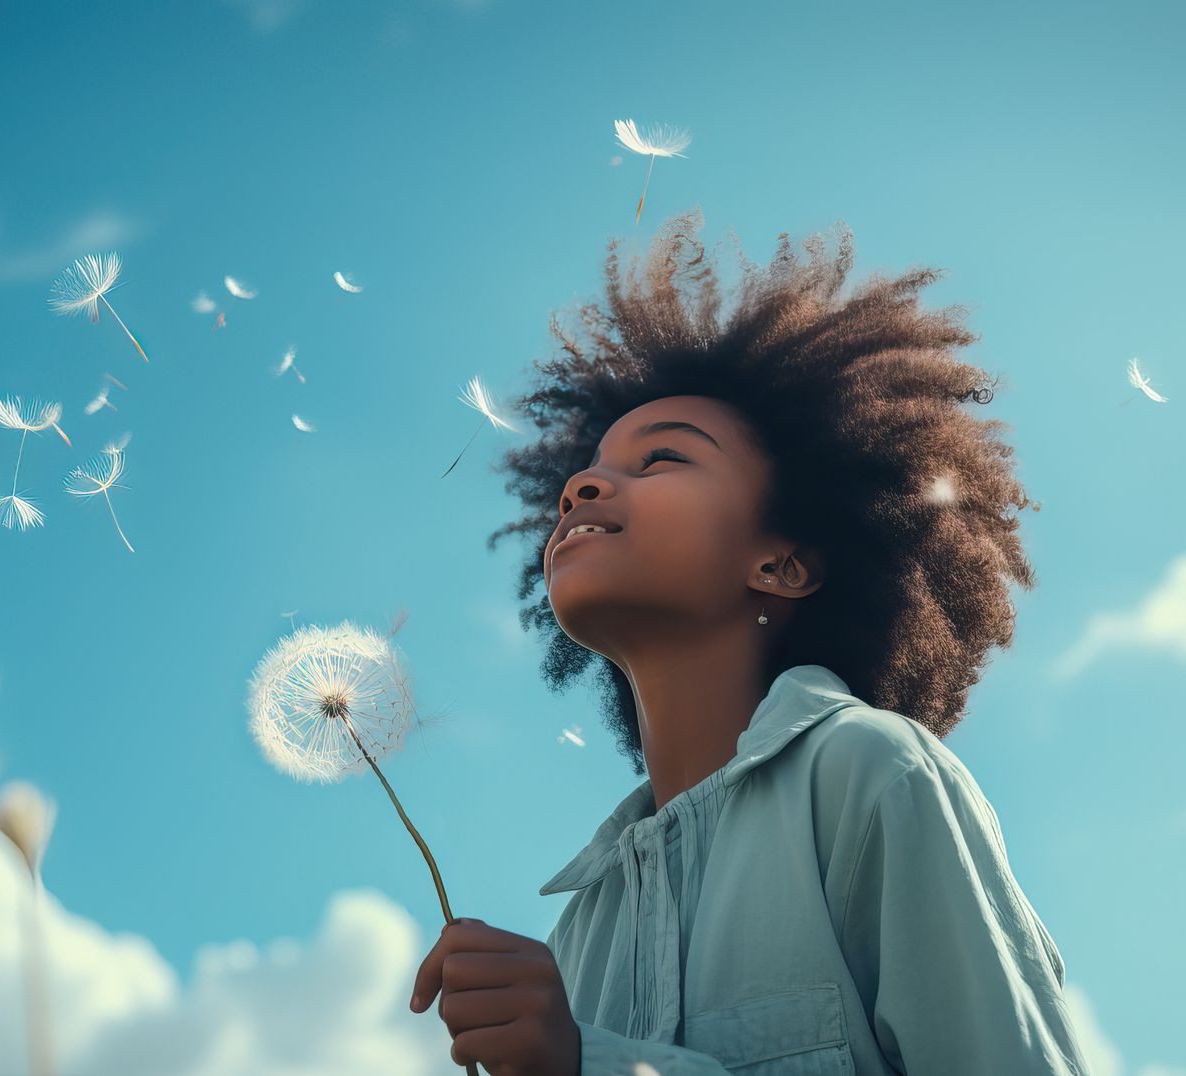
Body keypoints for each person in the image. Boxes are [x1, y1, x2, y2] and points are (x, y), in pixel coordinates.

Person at [411, 212, 1088, 1074]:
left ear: (783, 562)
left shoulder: (871, 773)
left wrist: (588, 1063)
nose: (582, 483)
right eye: (589, 467)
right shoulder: (580, 928)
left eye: (661, 460)